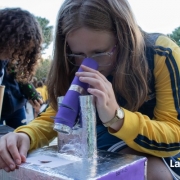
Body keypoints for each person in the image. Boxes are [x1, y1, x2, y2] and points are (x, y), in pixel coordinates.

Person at [0, 1, 179, 179]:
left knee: (150, 172)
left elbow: (175, 134)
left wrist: (118, 118)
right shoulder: (71, 63)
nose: (88, 64)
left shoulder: (161, 54)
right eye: (78, 54)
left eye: (100, 53)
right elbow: (59, 115)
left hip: (167, 153)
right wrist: (26, 135)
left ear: (124, 38)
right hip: (103, 147)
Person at [0, 8, 43, 128]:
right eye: (15, 45)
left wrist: (31, 93)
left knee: (18, 135)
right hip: (1, 107)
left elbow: (21, 77)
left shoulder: (13, 59)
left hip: (16, 106)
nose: (15, 52)